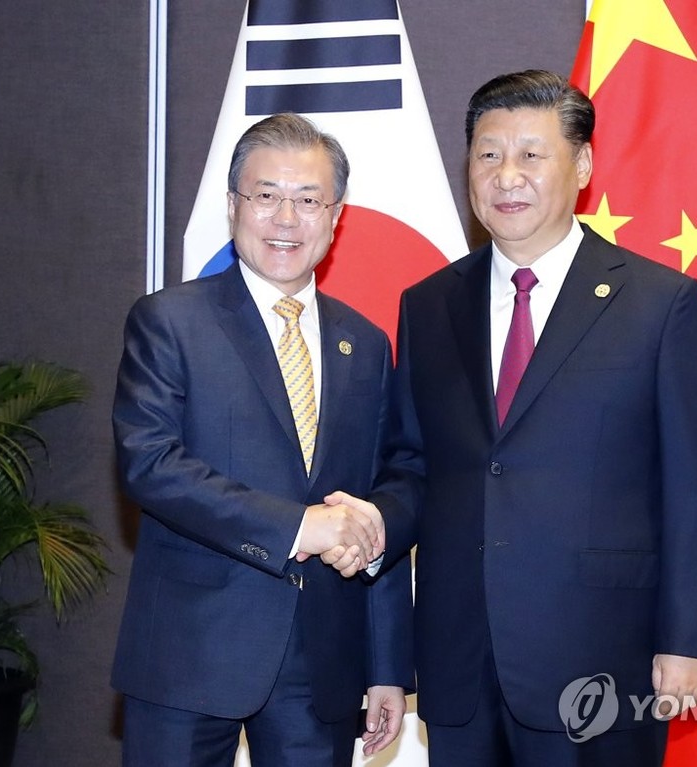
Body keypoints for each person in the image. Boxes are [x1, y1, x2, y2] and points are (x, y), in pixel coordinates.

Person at [337, 69, 697, 765]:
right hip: (459, 655)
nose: (506, 175)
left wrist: (689, 638)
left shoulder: (660, 302)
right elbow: (413, 465)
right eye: (488, 155)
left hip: (602, 654)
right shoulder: (428, 305)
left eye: (531, 154)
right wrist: (366, 523)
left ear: (581, 165)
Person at [111, 113, 413, 767]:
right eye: (266, 195)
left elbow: (373, 503)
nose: (286, 218)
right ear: (232, 205)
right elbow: (151, 464)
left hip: (323, 662)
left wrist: (388, 663)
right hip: (190, 655)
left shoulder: (365, 344)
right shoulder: (170, 321)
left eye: (308, 200)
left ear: (335, 217)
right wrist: (298, 527)